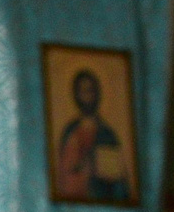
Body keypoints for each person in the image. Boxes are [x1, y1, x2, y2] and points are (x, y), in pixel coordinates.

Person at [55, 69, 131, 203]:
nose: (87, 97)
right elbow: (63, 175)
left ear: (97, 94)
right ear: (76, 95)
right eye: (82, 91)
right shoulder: (69, 131)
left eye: (90, 90)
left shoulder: (107, 134)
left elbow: (118, 182)